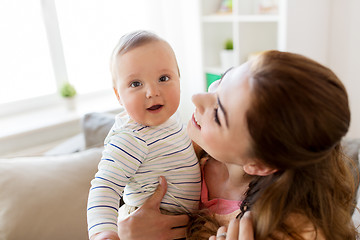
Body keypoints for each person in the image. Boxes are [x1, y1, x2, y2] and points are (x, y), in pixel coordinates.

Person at [116, 50, 359, 240]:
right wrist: (126, 231)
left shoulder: (287, 229)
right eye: (223, 79)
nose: (197, 98)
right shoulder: (180, 150)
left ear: (260, 164)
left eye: (219, 113)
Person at [87, 30, 201, 240]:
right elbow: (105, 186)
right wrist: (102, 233)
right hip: (151, 226)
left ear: (179, 79)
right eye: (136, 84)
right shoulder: (131, 138)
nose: (152, 92)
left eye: (163, 78)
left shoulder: (172, 121)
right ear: (118, 96)